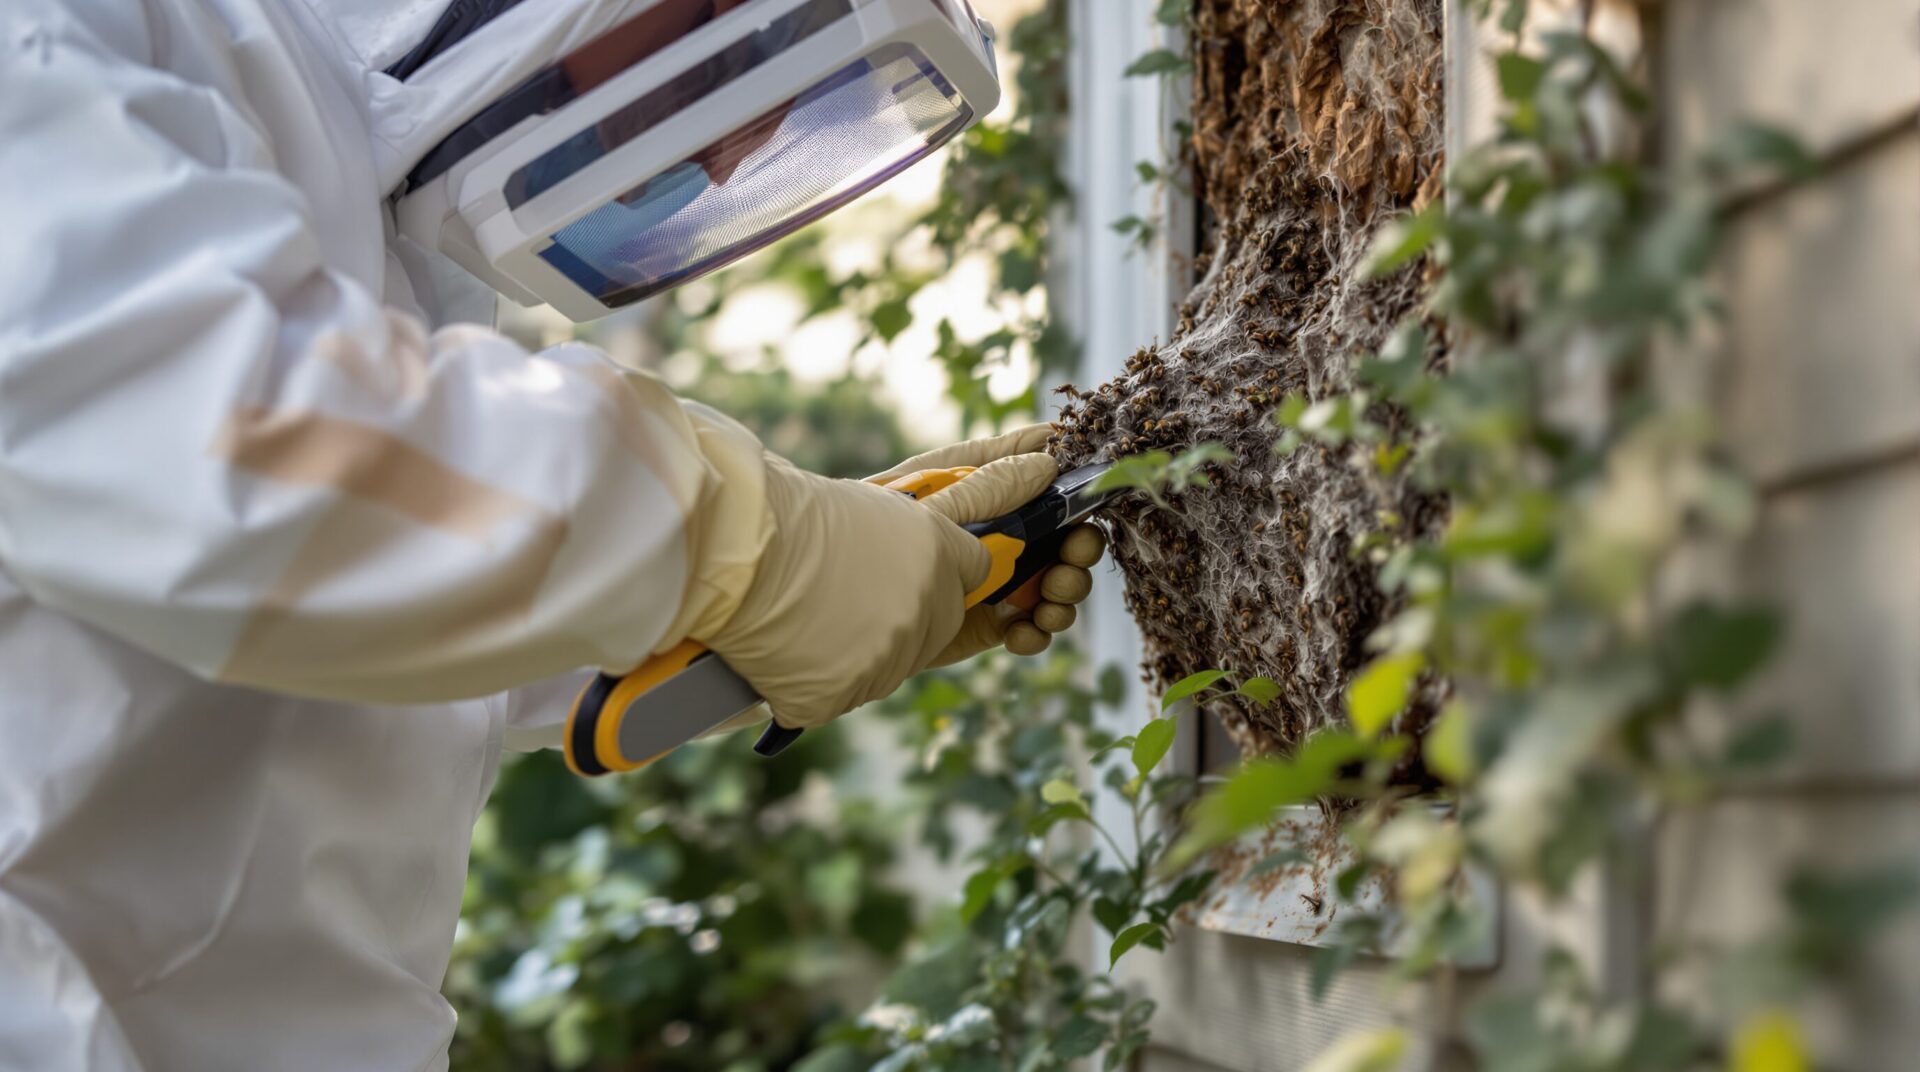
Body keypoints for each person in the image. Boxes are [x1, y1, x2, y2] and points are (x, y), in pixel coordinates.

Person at [0, 0, 1104, 1067]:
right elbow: (215, 450)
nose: (728, 159)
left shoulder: (376, 212)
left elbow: (402, 593)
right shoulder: (69, 29)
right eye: (736, 47)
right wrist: (739, 544)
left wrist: (786, 589)